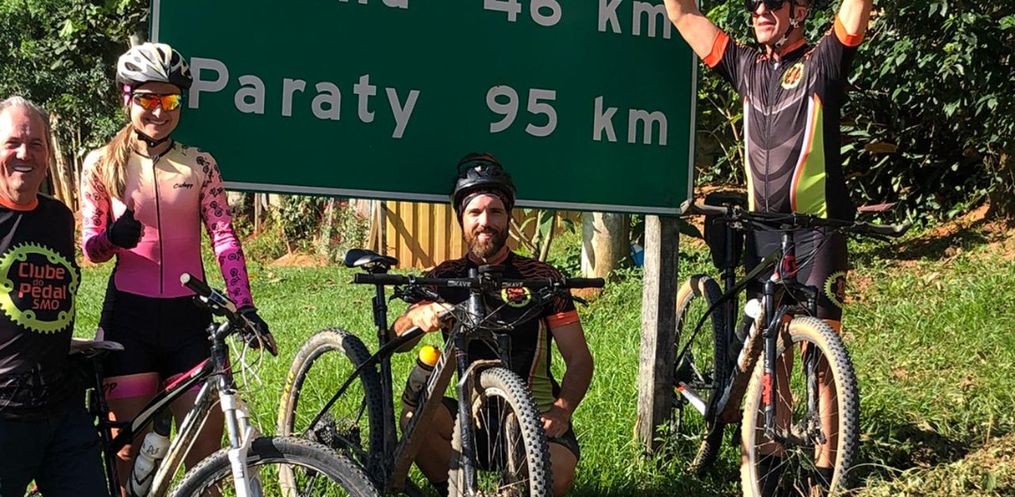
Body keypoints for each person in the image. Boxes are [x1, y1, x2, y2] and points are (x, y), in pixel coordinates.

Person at [664, 0, 872, 492]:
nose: (759, 9)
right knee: (771, 351)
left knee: (822, 358)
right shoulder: (745, 65)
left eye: (772, 2)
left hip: (819, 230)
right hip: (763, 230)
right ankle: (771, 462)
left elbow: (853, 15)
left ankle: (825, 474)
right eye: (752, 1)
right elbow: (682, 14)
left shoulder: (822, 61)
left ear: (799, 10)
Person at [79, 42, 275, 491]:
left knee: (207, 458)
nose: (159, 110)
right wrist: (112, 239)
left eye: (169, 100)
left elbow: (223, 236)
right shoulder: (101, 164)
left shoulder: (200, 164)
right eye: (147, 98)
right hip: (129, 320)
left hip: (191, 320)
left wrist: (244, 305)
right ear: (127, 98)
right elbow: (90, 251)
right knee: (125, 455)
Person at [393, 153, 594, 497]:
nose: (485, 221)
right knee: (413, 423)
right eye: (475, 212)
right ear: (462, 219)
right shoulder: (445, 276)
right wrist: (416, 316)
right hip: (466, 418)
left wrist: (561, 412)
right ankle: (454, 490)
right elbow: (397, 337)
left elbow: (579, 359)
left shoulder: (541, 277)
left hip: (533, 416)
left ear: (508, 218)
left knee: (558, 471)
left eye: (495, 212)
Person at [0, 97, 109, 497]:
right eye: (12, 143)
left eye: (36, 144)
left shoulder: (58, 218)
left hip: (62, 411)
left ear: (47, 155)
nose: (24, 154)